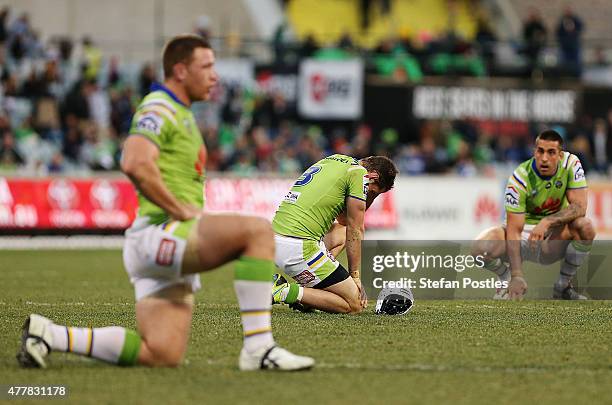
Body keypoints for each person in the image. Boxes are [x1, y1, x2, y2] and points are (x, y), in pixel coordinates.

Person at [17, 34, 314, 371]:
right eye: (206, 66)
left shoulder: (182, 114)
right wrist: (178, 209)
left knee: (160, 353)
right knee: (257, 232)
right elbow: (134, 161)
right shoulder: (160, 107)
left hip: (158, 242)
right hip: (161, 232)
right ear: (180, 70)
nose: (214, 75)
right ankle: (259, 348)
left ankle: (50, 335)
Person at [473, 129, 595, 300]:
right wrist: (516, 275)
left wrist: (547, 222)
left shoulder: (571, 164)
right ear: (534, 152)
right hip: (521, 236)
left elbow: (580, 207)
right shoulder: (520, 178)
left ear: (560, 155)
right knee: (480, 249)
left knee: (585, 227)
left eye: (551, 152)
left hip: (551, 238)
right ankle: (505, 277)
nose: (544, 158)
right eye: (540, 151)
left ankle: (563, 286)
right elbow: (514, 230)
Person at [272, 154, 398, 313]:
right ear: (373, 176)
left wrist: (370, 194)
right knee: (354, 304)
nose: (369, 195)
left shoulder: (334, 159)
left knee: (342, 232)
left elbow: (344, 221)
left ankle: (311, 293)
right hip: (298, 246)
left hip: (276, 238)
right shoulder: (359, 174)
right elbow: (356, 228)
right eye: (373, 193)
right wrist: (355, 277)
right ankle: (282, 290)